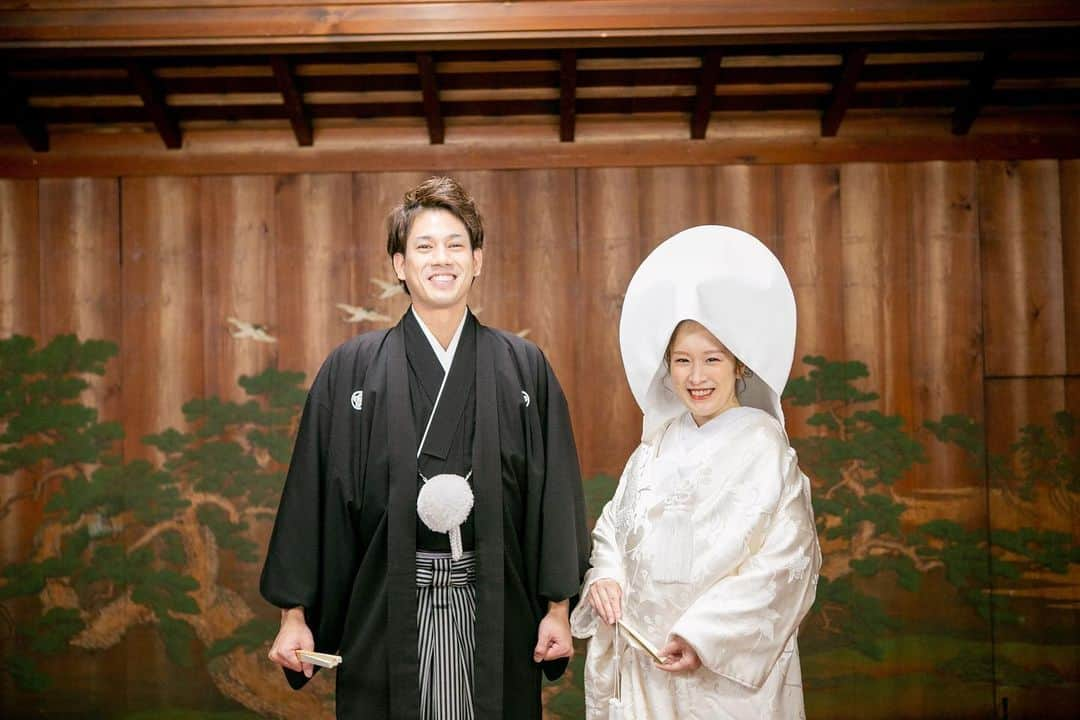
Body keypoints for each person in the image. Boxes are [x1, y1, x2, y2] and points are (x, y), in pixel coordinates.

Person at [260, 176, 590, 720]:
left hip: (494, 606)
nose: (442, 259)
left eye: (456, 245)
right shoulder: (350, 369)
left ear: (478, 260)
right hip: (385, 606)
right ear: (398, 264)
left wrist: (557, 608)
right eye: (424, 246)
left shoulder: (522, 366)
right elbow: (310, 498)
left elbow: (553, 496)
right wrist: (293, 614)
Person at [570, 225, 821, 719]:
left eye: (712, 359)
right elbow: (614, 531)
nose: (697, 376)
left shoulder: (764, 446)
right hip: (647, 661)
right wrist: (607, 577)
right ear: (667, 367)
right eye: (682, 361)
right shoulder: (654, 447)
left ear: (738, 366)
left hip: (720, 675)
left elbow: (789, 561)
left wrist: (703, 635)